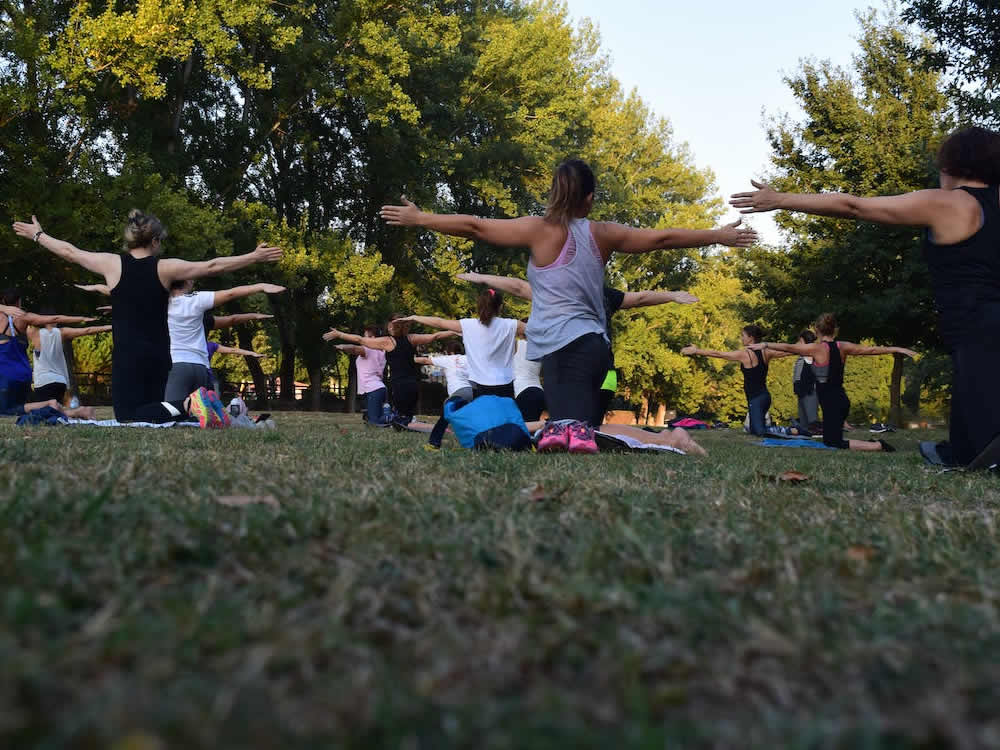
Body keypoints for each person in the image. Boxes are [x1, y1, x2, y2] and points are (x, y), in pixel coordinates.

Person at [382, 159, 752, 453]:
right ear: (588, 198)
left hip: (567, 350)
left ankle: (671, 440)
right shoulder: (602, 233)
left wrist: (421, 219)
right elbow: (662, 238)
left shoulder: (538, 229)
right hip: (594, 349)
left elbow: (476, 227)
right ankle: (666, 440)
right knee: (575, 430)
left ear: (554, 193)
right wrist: (717, 235)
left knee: (572, 434)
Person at [731, 126, 1000, 466]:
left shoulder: (950, 202)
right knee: (966, 447)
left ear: (952, 166)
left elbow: (854, 206)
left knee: (982, 449)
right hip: (978, 335)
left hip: (977, 330)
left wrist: (781, 199)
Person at [12, 211, 282, 424]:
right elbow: (212, 266)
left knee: (128, 416)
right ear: (154, 241)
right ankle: (203, 408)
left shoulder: (111, 264)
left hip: (128, 356)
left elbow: (70, 252)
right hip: (159, 355)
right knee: (155, 413)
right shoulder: (166, 267)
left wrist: (39, 235)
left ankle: (191, 405)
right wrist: (253, 257)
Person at [457, 271, 700, 423]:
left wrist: (671, 295)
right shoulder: (581, 294)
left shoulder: (586, 294)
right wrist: (484, 278)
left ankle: (582, 431)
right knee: (583, 423)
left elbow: (639, 298)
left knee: (583, 420)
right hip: (590, 370)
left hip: (592, 371)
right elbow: (520, 288)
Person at [750, 314, 916, 451]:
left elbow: (787, 347)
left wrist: (764, 344)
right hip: (839, 400)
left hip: (832, 403)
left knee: (832, 443)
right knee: (831, 439)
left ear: (817, 330)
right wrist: (897, 348)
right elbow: (871, 350)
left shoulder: (815, 348)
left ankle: (879, 446)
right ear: (835, 329)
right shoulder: (843, 346)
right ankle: (874, 443)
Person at [323, 314, 457, 426]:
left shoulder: (388, 342)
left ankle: (398, 419)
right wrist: (456, 330)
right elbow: (435, 336)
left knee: (398, 419)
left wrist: (339, 334)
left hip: (399, 385)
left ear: (392, 327)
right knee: (406, 417)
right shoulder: (412, 338)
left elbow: (360, 340)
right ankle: (404, 419)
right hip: (413, 385)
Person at [164, 280, 284, 401]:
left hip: (175, 364)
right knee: (199, 415)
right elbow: (231, 301)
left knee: (173, 410)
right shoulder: (196, 302)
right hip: (201, 367)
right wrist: (260, 287)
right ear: (187, 282)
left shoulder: (158, 304)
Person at [397, 289, 524, 399]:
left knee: (484, 420)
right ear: (500, 307)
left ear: (479, 306)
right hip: (505, 382)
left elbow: (439, 322)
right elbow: (537, 332)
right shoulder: (512, 324)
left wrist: (414, 317)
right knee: (504, 419)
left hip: (479, 384)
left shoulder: (468, 325)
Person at [681, 325, 789, 436]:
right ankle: (773, 428)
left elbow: (718, 354)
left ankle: (790, 430)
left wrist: (696, 351)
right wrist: (801, 349)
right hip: (764, 397)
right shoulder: (766, 352)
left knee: (759, 432)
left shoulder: (745, 354)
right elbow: (786, 351)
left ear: (751, 338)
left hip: (756, 400)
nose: (741, 338)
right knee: (753, 430)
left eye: (743, 336)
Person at [26, 311, 111, 406]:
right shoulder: (62, 332)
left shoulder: (33, 333)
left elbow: (22, 322)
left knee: (45, 413)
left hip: (43, 381)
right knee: (57, 412)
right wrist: (111, 326)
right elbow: (87, 330)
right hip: (60, 381)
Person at [415, 339, 474, 448]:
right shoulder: (469, 359)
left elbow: (425, 361)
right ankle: (477, 442)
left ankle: (433, 443)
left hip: (459, 393)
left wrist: (407, 359)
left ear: (449, 352)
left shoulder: (448, 358)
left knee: (445, 417)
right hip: (472, 392)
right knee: (469, 418)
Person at [332, 324, 390, 426]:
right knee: (369, 419)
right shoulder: (382, 351)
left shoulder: (369, 349)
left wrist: (342, 347)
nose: (363, 339)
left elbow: (355, 349)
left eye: (365, 336)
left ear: (372, 338)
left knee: (373, 422)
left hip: (373, 389)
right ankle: (390, 416)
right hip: (376, 389)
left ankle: (394, 417)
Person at [792, 329, 819, 433]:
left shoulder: (812, 355)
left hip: (810, 391)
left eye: (799, 341)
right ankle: (805, 431)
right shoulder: (802, 356)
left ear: (803, 341)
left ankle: (816, 432)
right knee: (803, 418)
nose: (797, 344)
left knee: (811, 417)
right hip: (801, 390)